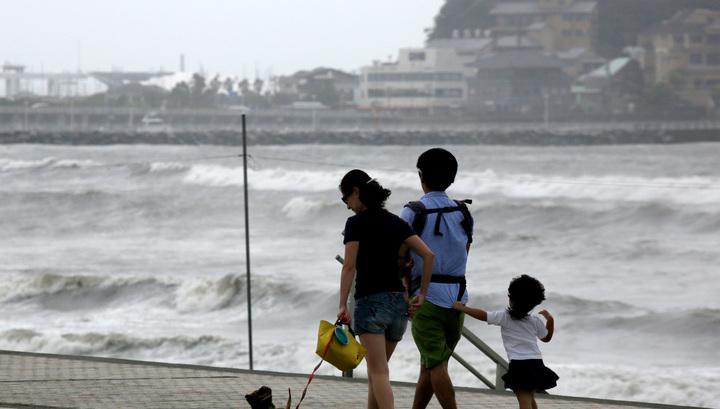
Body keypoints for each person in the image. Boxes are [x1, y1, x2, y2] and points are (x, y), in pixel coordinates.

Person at [337, 169, 435, 409]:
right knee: (376, 373)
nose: (347, 206)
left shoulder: (355, 223)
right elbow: (428, 254)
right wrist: (421, 294)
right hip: (398, 306)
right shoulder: (396, 222)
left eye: (346, 198)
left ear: (357, 192)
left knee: (378, 373)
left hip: (371, 304)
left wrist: (342, 305)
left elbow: (349, 266)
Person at [400, 148, 473, 409]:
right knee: (430, 364)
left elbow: (399, 258)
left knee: (436, 364)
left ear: (421, 176)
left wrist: (404, 290)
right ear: (452, 179)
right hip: (458, 299)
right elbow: (465, 251)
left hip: (425, 299)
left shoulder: (412, 212)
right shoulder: (463, 212)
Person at [453, 274, 558, 409]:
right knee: (530, 398)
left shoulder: (504, 317)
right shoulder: (535, 321)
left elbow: (483, 315)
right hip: (536, 363)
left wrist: (462, 308)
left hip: (520, 365)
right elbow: (547, 338)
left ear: (511, 299)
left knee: (524, 401)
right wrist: (550, 320)